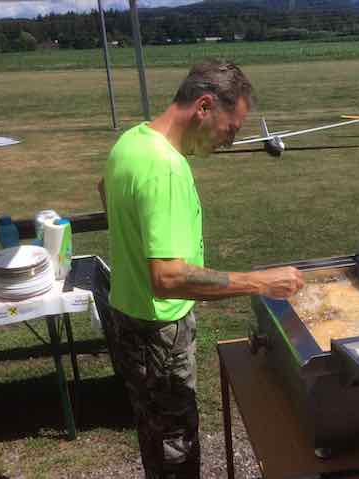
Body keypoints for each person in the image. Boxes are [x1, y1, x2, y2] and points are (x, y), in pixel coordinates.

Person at [100, 60, 304, 479]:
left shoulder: (131, 142)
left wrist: (134, 238)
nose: (231, 141)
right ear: (205, 106)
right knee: (175, 450)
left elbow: (105, 190)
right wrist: (259, 282)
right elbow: (167, 278)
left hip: (127, 320)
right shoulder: (166, 168)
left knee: (153, 433)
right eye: (232, 128)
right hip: (158, 333)